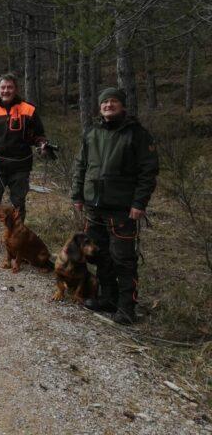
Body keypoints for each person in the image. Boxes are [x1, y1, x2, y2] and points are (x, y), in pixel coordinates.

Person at [72, 87, 159, 325]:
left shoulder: (137, 134)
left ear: (122, 105)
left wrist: (139, 203)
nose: (108, 105)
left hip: (122, 208)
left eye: (113, 102)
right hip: (93, 206)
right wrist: (77, 195)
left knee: (123, 259)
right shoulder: (92, 132)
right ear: (99, 107)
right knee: (99, 256)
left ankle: (127, 307)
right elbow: (81, 165)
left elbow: (148, 172)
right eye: (104, 103)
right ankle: (107, 298)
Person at [0, 73, 50, 256]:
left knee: (18, 206)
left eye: (9, 87)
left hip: (21, 168)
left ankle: (18, 244)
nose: (6, 90)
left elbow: (39, 136)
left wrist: (42, 146)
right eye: (3, 87)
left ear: (15, 88)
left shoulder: (29, 110)